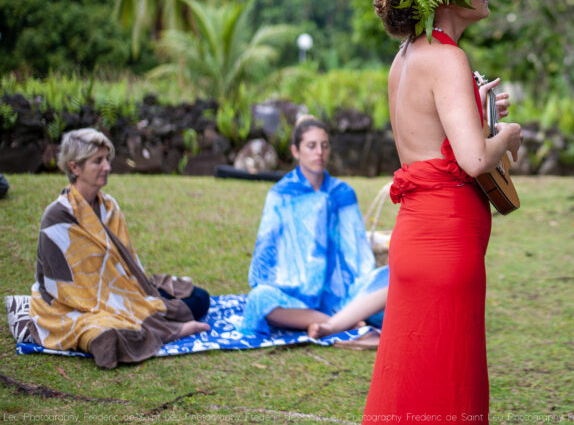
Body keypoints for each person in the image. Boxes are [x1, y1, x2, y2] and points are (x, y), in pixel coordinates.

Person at [358, 0, 522, 425]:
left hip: (415, 239)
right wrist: (511, 132)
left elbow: (432, 145)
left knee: (411, 383)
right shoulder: (448, 58)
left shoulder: (404, 59)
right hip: (446, 245)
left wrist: (479, 113)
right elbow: (474, 161)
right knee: (448, 386)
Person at [29, 128, 210, 369]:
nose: (107, 167)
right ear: (75, 168)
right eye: (98, 161)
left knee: (200, 298)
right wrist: (113, 301)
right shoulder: (57, 217)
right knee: (107, 335)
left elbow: (127, 266)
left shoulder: (109, 206)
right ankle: (167, 331)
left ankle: (154, 324)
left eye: (107, 159)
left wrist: (135, 296)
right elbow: (59, 286)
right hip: (80, 305)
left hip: (125, 292)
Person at [241, 117, 388, 349]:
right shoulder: (281, 194)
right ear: (295, 151)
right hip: (297, 296)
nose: (319, 152)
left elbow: (358, 252)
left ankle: (341, 321)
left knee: (393, 277)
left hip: (346, 293)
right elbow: (266, 254)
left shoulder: (343, 193)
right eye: (311, 146)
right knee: (260, 298)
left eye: (324, 145)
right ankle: (345, 325)